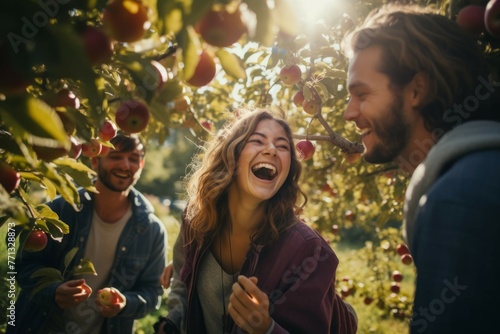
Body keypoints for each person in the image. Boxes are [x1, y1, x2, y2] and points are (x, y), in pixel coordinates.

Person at [342, 4, 500, 334]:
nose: (348, 113)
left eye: (361, 94)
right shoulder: (481, 168)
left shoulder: (458, 197)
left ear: (416, 89)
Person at [154, 108, 358, 333]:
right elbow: (182, 283)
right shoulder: (196, 219)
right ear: (232, 153)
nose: (271, 150)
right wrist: (172, 322)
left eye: (282, 146)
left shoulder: (308, 250)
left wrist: (267, 328)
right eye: (258, 141)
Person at [8, 133, 168, 333]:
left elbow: (152, 293)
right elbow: (23, 266)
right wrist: (53, 291)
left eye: (133, 159)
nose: (125, 165)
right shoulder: (60, 211)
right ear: (94, 160)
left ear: (141, 165)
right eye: (116, 156)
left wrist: (125, 303)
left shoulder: (152, 231)